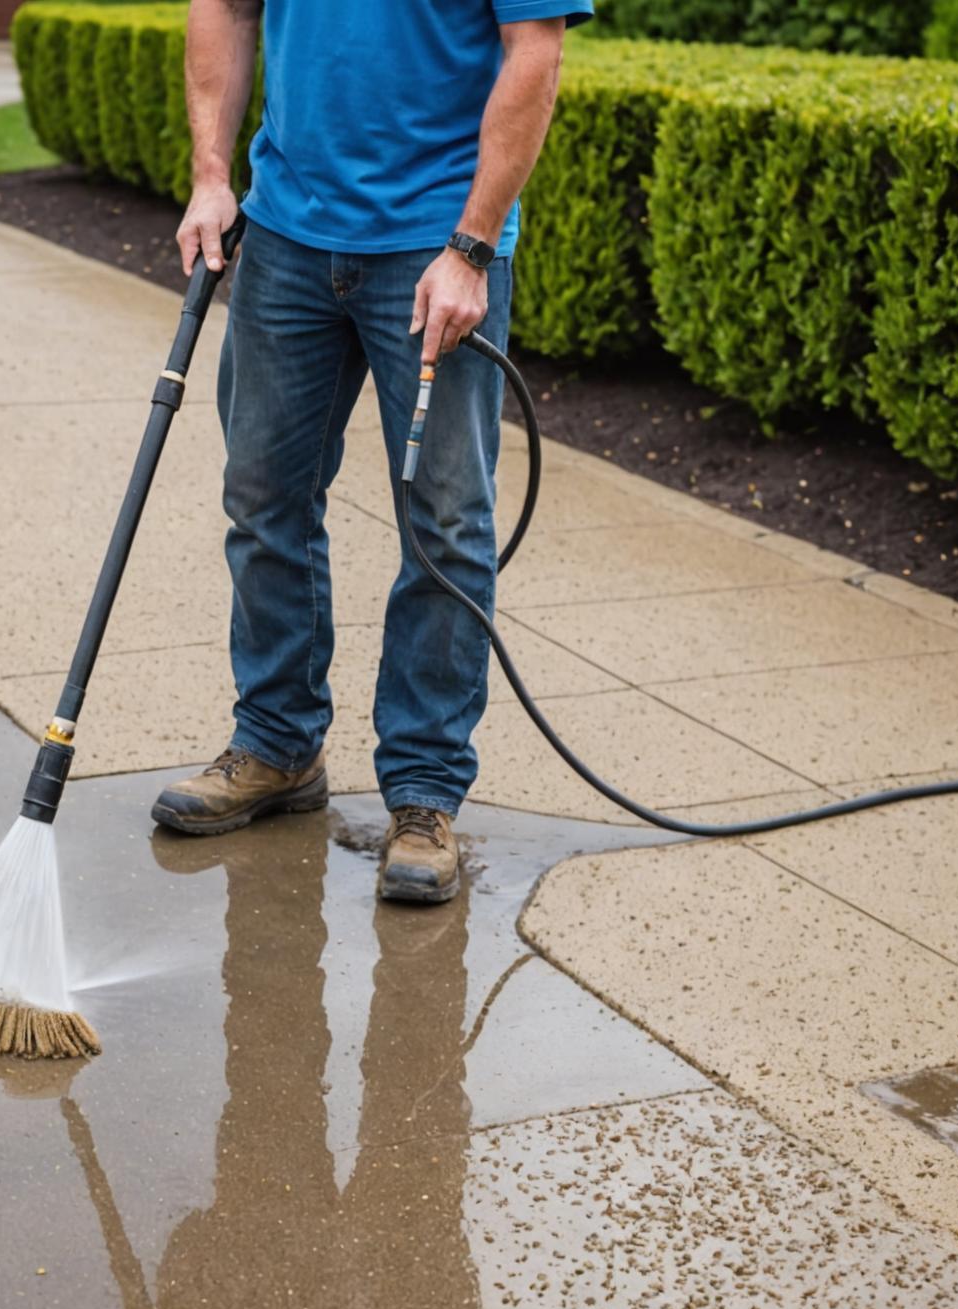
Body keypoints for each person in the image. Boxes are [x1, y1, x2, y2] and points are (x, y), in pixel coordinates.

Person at [151, 0, 592, 904]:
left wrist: (471, 248)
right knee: (264, 495)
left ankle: (425, 793)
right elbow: (225, 9)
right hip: (285, 238)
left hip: (434, 250)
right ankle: (277, 744)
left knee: (444, 521)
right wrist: (209, 175)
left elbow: (533, 50)